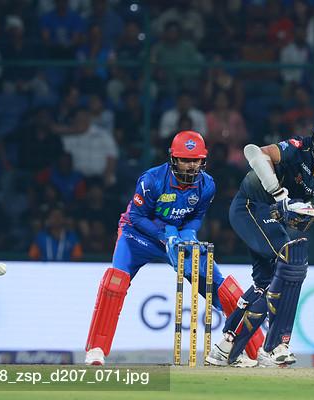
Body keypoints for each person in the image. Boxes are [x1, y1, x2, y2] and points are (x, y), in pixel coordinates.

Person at [84, 131, 262, 366]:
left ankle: (256, 349)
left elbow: (196, 217)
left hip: (177, 238)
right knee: (115, 282)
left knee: (219, 285)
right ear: (173, 159)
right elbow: (136, 217)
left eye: (196, 160)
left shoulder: (207, 185)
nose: (191, 166)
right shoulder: (152, 180)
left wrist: (188, 234)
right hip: (138, 236)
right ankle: (96, 349)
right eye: (185, 160)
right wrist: (163, 235)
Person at [206, 114, 314, 367]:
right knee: (291, 261)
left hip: (272, 217)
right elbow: (254, 152)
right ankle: (274, 346)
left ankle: (226, 347)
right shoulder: (298, 148)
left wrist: (303, 213)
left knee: (266, 282)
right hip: (250, 205)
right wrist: (279, 194)